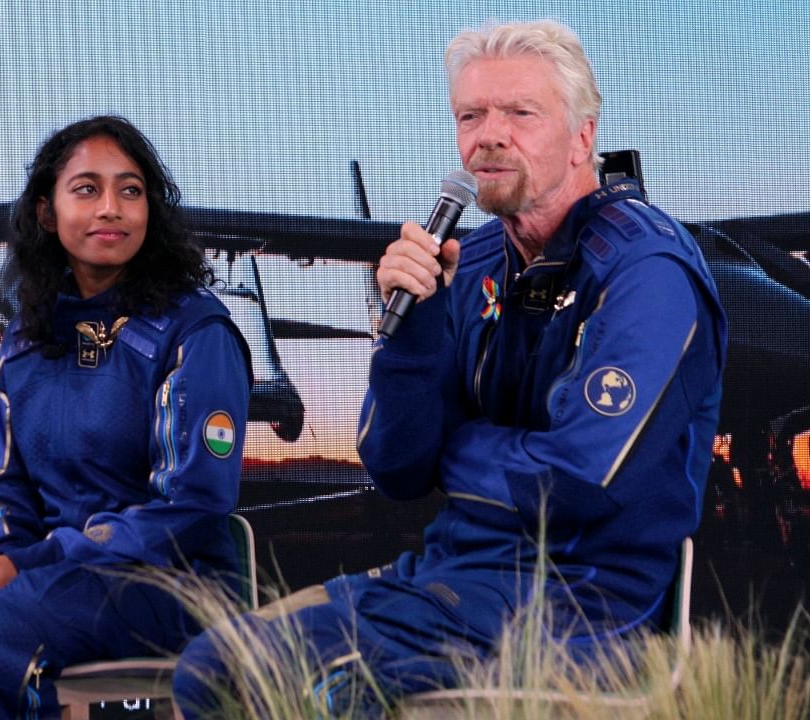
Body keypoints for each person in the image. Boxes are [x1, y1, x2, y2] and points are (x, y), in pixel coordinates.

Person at [174, 19, 726, 716]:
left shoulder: (649, 271)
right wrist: (412, 337)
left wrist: (456, 445)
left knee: (341, 694)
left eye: (520, 114)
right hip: (451, 578)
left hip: (584, 607)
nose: (488, 135)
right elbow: (398, 469)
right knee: (214, 669)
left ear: (582, 135)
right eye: (471, 115)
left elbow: (581, 483)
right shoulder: (474, 263)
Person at [0, 115, 251, 719]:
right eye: (87, 189)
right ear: (45, 213)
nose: (111, 207)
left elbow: (191, 505)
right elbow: (5, 488)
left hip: (169, 579)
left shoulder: (196, 331)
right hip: (39, 568)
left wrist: (34, 562)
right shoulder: (25, 341)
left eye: (130, 190)